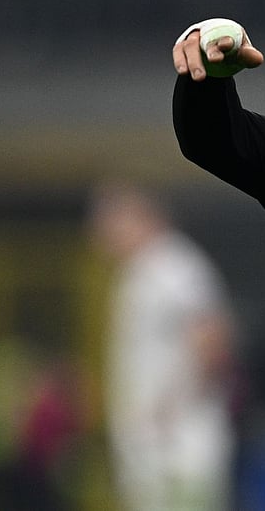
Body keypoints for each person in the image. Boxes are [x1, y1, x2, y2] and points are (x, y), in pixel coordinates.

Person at [86, 180, 239, 511]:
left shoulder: (174, 265)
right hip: (153, 448)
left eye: (111, 220)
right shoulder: (138, 272)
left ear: (140, 216)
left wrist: (173, 407)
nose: (102, 232)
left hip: (180, 448)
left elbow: (212, 337)